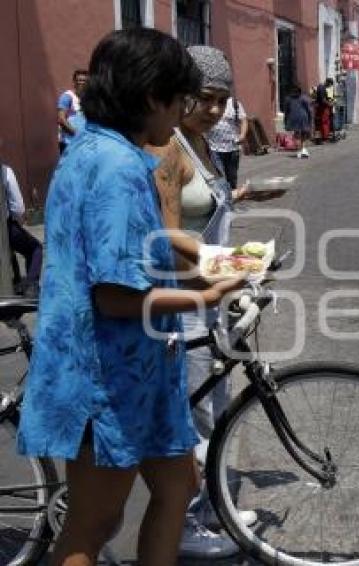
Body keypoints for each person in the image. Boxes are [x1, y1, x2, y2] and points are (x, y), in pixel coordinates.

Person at [17, 28, 245, 566]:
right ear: (151, 97)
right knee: (91, 527)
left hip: (141, 368)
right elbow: (116, 296)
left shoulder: (101, 149)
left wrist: (217, 264)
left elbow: (138, 254)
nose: (185, 113)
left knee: (177, 486)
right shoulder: (116, 166)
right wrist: (208, 292)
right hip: (105, 377)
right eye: (183, 99)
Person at [151, 44, 283, 559]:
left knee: (218, 406)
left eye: (223, 100)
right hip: (183, 302)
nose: (214, 109)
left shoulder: (201, 144)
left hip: (213, 299)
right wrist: (233, 268)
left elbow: (201, 211)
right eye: (205, 98)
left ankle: (213, 506)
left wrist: (244, 199)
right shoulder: (169, 149)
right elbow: (166, 239)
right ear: (181, 95)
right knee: (195, 417)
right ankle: (184, 521)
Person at [2, 159, 43, 297]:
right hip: (4, 228)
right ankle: (31, 285)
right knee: (35, 248)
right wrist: (18, 220)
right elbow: (18, 208)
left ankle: (17, 282)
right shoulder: (5, 171)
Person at [207, 95, 248, 189]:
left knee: (232, 177)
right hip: (214, 147)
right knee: (219, 176)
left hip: (233, 147)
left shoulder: (235, 103)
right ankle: (222, 198)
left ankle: (232, 195)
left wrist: (242, 135)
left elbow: (244, 120)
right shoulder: (211, 102)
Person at [57, 69, 88, 154]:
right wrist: (76, 134)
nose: (82, 83)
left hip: (84, 143)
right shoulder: (67, 97)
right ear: (74, 82)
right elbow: (61, 119)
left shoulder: (88, 99)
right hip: (69, 143)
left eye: (84, 81)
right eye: (79, 80)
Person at [283, 85, 313, 158]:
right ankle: (303, 149)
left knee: (297, 134)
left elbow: (286, 111)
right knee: (303, 134)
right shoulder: (304, 98)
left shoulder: (288, 99)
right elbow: (309, 110)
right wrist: (310, 119)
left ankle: (300, 150)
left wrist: (285, 120)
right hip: (303, 117)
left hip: (294, 118)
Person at [315, 78, 334, 143]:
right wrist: (329, 104)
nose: (329, 87)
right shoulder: (322, 88)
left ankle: (323, 136)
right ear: (328, 83)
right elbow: (323, 99)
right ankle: (325, 137)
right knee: (325, 122)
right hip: (323, 107)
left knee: (323, 122)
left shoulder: (320, 87)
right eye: (330, 85)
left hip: (321, 107)